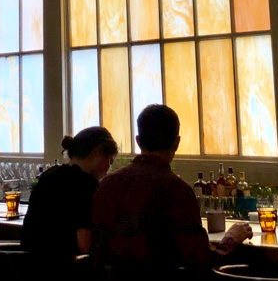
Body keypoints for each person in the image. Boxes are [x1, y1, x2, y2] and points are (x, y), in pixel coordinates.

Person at [91, 104, 252, 269]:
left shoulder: (107, 185)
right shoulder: (177, 191)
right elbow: (201, 261)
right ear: (176, 143)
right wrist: (230, 239)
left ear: (138, 141)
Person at [22, 126, 118, 257]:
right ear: (98, 152)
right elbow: (85, 244)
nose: (109, 168)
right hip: (64, 269)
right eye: (110, 161)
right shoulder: (85, 184)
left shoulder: (49, 175)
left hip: (28, 266)